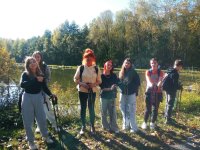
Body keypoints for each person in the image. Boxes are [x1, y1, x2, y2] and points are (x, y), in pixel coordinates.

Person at [20, 56, 56, 149]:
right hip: (27, 97)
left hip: (38, 97)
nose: (33, 63)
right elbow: (22, 85)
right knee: (28, 121)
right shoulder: (25, 74)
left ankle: (46, 136)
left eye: (34, 62)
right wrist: (35, 80)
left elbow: (44, 87)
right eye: (30, 62)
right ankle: (31, 142)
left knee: (42, 118)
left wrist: (51, 94)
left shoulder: (40, 74)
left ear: (36, 63)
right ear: (28, 65)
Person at [74, 48, 101, 134]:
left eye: (90, 57)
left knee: (91, 109)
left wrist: (93, 85)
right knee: (83, 108)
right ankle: (83, 126)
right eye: (87, 57)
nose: (89, 59)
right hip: (82, 91)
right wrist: (82, 84)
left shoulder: (96, 68)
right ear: (84, 58)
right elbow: (75, 79)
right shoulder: (81, 67)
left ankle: (92, 126)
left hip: (92, 91)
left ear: (93, 58)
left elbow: (99, 81)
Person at [32, 51, 59, 132]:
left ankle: (54, 125)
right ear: (33, 57)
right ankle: (39, 126)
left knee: (48, 109)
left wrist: (42, 80)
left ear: (41, 58)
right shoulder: (31, 66)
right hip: (34, 91)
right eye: (35, 56)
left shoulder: (45, 66)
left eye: (38, 57)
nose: (37, 58)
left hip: (44, 90)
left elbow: (48, 78)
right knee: (37, 110)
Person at [141, 58, 164, 130]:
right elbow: (148, 81)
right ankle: (144, 122)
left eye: (155, 63)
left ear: (157, 64)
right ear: (150, 64)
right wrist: (152, 85)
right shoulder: (148, 72)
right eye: (152, 63)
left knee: (155, 109)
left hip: (158, 92)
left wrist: (157, 85)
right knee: (148, 109)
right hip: (149, 92)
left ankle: (152, 123)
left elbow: (160, 80)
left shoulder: (161, 72)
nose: (153, 64)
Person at [118, 58, 140, 133]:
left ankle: (134, 127)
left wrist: (131, 88)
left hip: (131, 94)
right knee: (122, 108)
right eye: (125, 63)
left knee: (132, 110)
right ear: (123, 64)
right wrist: (121, 87)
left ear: (130, 64)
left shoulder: (133, 72)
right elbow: (119, 82)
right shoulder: (121, 72)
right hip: (122, 93)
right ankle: (126, 124)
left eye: (128, 63)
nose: (126, 64)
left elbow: (138, 83)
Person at [99, 60, 119, 133]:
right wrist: (110, 88)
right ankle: (105, 126)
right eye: (108, 65)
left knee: (112, 112)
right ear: (105, 66)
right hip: (103, 96)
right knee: (103, 112)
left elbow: (117, 83)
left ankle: (114, 127)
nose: (109, 66)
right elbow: (101, 87)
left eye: (111, 65)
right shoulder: (101, 76)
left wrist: (115, 86)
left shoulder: (114, 75)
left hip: (112, 97)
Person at [164, 59, 183, 124]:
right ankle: (168, 120)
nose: (181, 68)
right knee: (170, 104)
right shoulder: (175, 73)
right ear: (179, 66)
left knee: (167, 103)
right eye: (181, 66)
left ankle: (166, 116)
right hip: (171, 90)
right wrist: (180, 86)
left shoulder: (169, 70)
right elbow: (175, 85)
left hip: (166, 89)